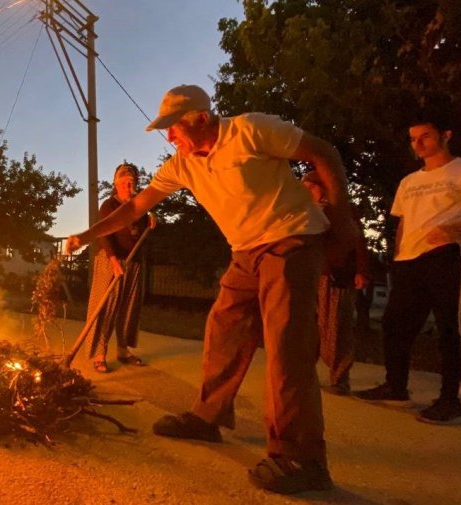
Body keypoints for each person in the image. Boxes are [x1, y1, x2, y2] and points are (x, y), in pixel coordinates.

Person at [64, 84, 355, 494]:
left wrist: (344, 225)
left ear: (202, 119)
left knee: (286, 344)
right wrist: (87, 234)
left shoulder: (250, 130)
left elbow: (323, 152)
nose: (169, 136)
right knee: (223, 329)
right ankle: (207, 418)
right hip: (245, 251)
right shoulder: (182, 164)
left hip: (291, 238)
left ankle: (302, 458)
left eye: (174, 127)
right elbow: (134, 208)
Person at [354, 112, 461, 424]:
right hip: (408, 260)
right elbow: (403, 223)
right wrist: (397, 256)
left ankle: (451, 401)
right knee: (394, 324)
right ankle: (396, 387)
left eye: (425, 136)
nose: (418, 144)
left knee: (450, 327)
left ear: (445, 135)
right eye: (413, 139)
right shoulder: (409, 182)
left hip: (448, 254)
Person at [301, 170, 370, 396]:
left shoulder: (340, 210)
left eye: (312, 187)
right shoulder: (304, 210)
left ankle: (340, 379)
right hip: (310, 273)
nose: (307, 191)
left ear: (324, 188)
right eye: (304, 187)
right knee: (308, 327)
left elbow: (357, 241)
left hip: (335, 275)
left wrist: (361, 271)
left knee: (336, 327)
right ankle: (305, 374)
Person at [84, 162, 153, 373]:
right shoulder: (109, 206)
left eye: (131, 182)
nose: (127, 186)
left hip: (134, 261)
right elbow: (103, 235)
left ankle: (123, 352)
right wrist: (114, 261)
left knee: (129, 307)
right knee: (105, 307)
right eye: (123, 183)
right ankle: (99, 354)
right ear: (116, 184)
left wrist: (150, 220)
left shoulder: (139, 207)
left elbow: (140, 232)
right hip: (110, 260)